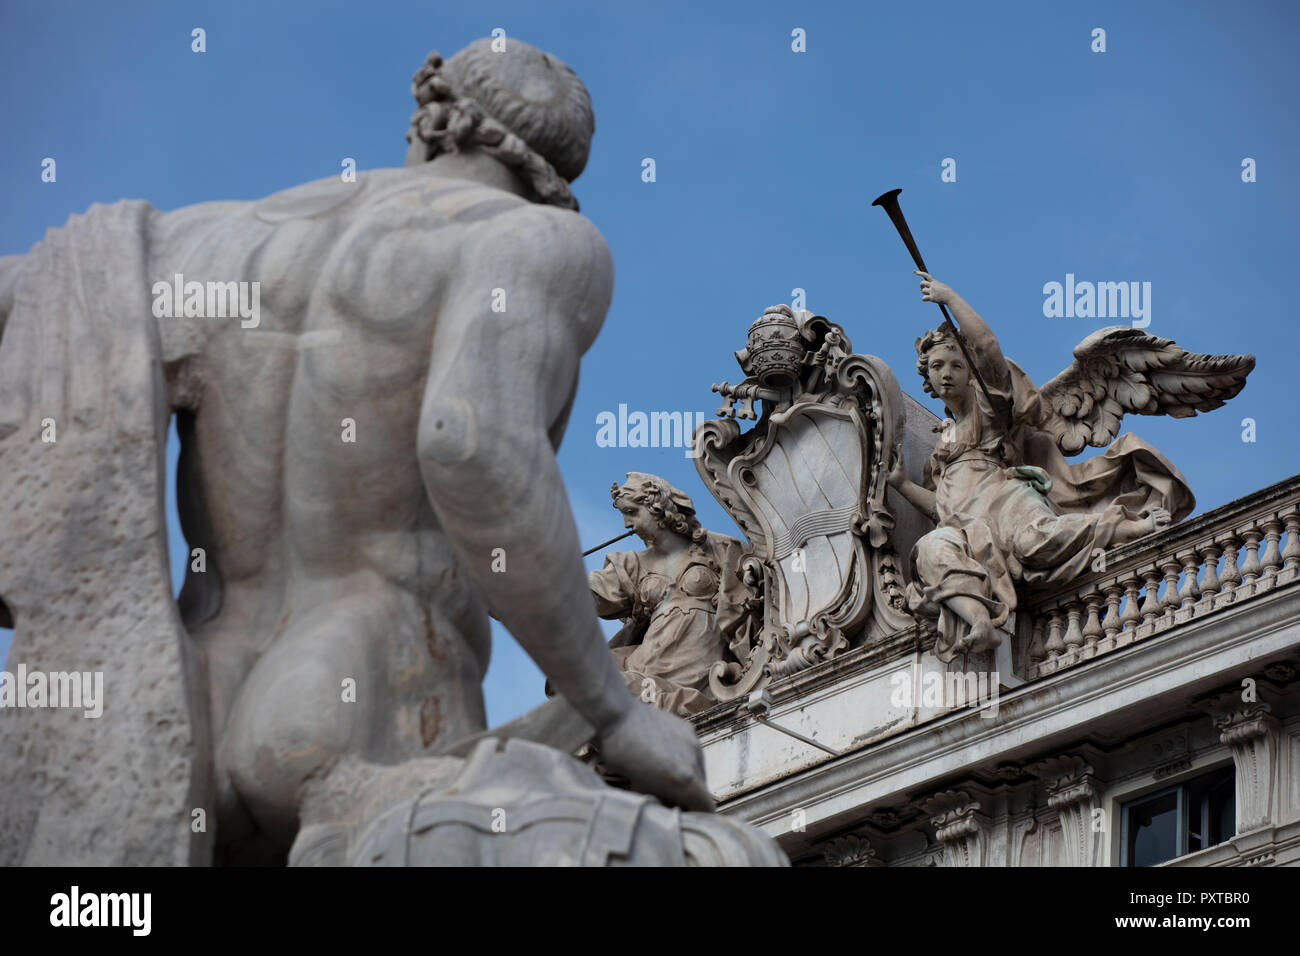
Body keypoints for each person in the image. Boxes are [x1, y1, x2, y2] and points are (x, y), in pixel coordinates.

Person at [887, 271, 1194, 662]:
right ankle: (981, 621)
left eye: (955, 366)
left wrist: (951, 299)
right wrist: (901, 485)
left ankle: (1126, 524)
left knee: (1035, 542)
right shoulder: (942, 444)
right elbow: (944, 507)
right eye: (936, 367)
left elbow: (987, 346)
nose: (945, 373)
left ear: (971, 374)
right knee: (930, 550)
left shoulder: (990, 412)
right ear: (926, 376)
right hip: (966, 528)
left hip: (1005, 504)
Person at [590, 473, 754, 715]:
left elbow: (754, 603)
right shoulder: (633, 564)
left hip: (700, 670)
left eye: (632, 512)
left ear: (656, 507)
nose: (627, 524)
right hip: (647, 665)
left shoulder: (719, 549)